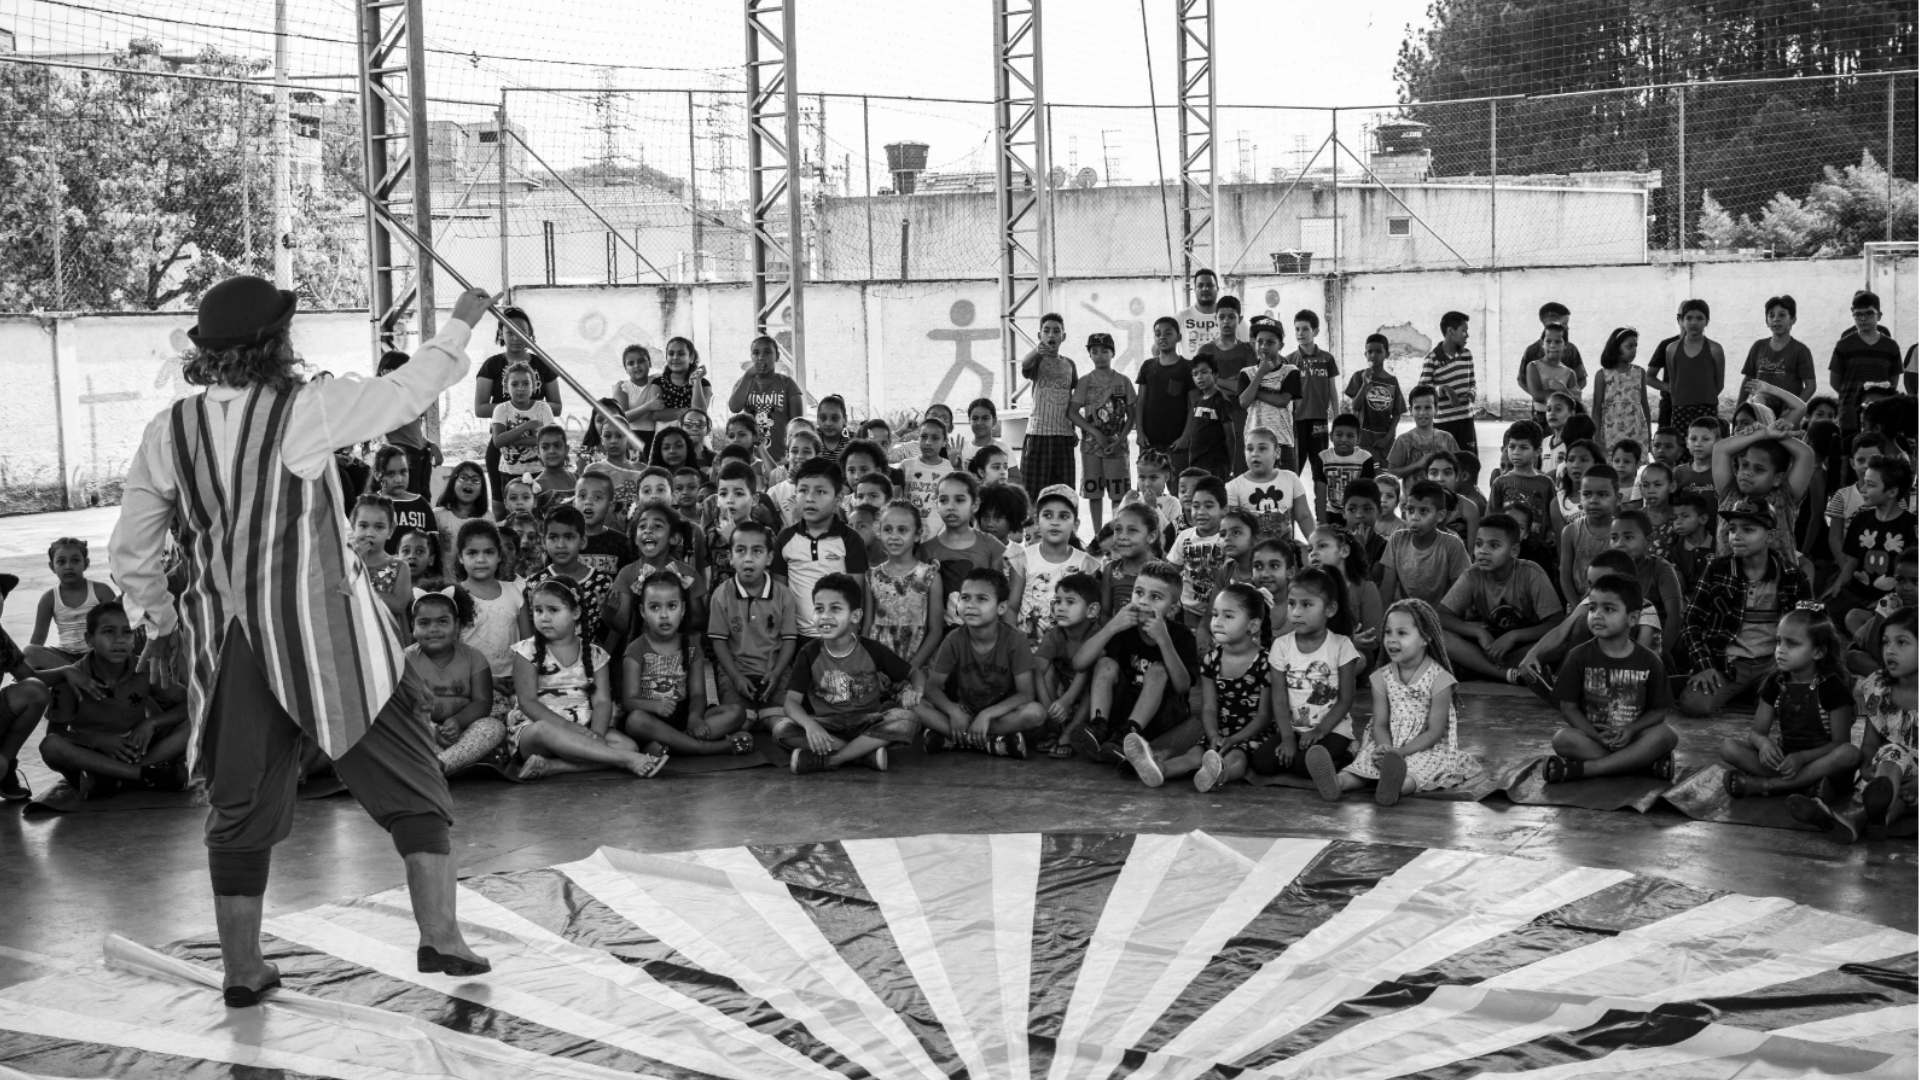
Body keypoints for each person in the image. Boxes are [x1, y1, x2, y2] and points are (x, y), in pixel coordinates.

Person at [108, 277, 497, 1004]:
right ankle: (442, 937)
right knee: (410, 773)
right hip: (331, 639)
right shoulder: (307, 407)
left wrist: (161, 620)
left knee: (239, 803)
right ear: (276, 343)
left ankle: (242, 969)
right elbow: (407, 392)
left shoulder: (169, 430)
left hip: (230, 644)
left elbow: (131, 550)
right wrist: (459, 324)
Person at [508, 578, 666, 782]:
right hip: (537, 733)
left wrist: (597, 735)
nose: (544, 618)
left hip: (584, 728)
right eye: (538, 610)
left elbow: (602, 701)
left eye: (553, 610)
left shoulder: (595, 654)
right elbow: (527, 702)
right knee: (543, 730)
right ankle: (624, 759)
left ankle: (554, 766)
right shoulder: (526, 651)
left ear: (575, 613)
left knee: (628, 745)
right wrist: (566, 727)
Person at [1326, 599, 1478, 804]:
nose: (1391, 640)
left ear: (1425, 638)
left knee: (1419, 770)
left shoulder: (1440, 679)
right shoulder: (1381, 677)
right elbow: (1379, 724)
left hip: (1425, 747)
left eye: (1402, 633)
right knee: (1366, 763)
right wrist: (1385, 749)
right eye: (1388, 632)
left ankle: (1394, 788)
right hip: (1388, 743)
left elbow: (1434, 732)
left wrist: (1399, 754)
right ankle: (1338, 782)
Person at [1126, 582, 1274, 791]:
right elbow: (1209, 708)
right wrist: (1213, 735)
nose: (1217, 622)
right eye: (1215, 615)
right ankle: (1159, 769)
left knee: (1237, 758)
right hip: (1219, 731)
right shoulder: (1211, 659)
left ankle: (1220, 774)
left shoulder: (1266, 662)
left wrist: (1234, 739)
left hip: (1251, 734)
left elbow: (1264, 717)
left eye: (1228, 616)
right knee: (1193, 755)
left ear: (1253, 626)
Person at [1790, 607, 1917, 843]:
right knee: (1892, 757)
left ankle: (1855, 819)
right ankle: (1868, 820)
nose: (1890, 650)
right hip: (1894, 777)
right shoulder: (1879, 688)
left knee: (1897, 773)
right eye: (1885, 642)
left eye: (1902, 642)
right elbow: (1870, 742)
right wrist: (1867, 768)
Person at [38, 602, 189, 798]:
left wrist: (152, 723)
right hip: (92, 755)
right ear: (89, 639)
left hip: (137, 750)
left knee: (197, 722)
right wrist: (98, 740)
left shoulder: (142, 667)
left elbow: (190, 703)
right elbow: (55, 733)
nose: (119, 640)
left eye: (127, 632)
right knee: (50, 745)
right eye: (108, 632)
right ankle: (145, 775)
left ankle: (115, 778)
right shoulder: (73, 679)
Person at [1677, 499, 1811, 716]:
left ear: (1770, 536)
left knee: (1796, 709)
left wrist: (1797, 668)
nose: (1736, 536)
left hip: (1774, 664)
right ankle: (1746, 692)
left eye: (1748, 530)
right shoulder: (1717, 569)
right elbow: (1691, 620)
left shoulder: (1792, 576)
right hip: (1730, 663)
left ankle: (1754, 693)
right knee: (1694, 705)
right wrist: (1704, 664)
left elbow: (1810, 628)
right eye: (1732, 529)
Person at [780, 573, 923, 773]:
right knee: (782, 729)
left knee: (908, 719)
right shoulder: (808, 653)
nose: (825, 616)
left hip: (867, 723)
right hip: (828, 726)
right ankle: (864, 754)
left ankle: (833, 759)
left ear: (855, 616)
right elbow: (791, 702)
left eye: (835, 609)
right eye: (819, 609)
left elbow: (914, 673)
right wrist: (810, 726)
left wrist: (916, 689)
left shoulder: (872, 649)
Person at [1544, 573, 1679, 782]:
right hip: (1592, 738)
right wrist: (1595, 735)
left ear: (1633, 618)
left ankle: (1589, 769)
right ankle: (1640, 765)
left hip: (1634, 738)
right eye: (1592, 608)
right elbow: (1569, 708)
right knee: (1562, 739)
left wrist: (1632, 729)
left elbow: (1658, 712)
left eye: (1608, 609)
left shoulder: (1650, 661)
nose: (1597, 615)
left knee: (1666, 735)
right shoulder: (1578, 657)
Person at [1718, 606, 1858, 799]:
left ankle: (1769, 785)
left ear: (1818, 652)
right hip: (1785, 762)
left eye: (1791, 644)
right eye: (1778, 641)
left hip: (1819, 763)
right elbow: (1757, 732)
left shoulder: (1832, 687)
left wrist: (1802, 758)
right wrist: (1764, 744)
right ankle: (1804, 786)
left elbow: (1839, 743)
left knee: (1849, 754)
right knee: (1728, 747)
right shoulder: (1775, 682)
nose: (1780, 650)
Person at [1070, 561, 1198, 766]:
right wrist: (1111, 627)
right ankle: (1099, 727)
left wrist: (1164, 640)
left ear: (1173, 609)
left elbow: (1182, 687)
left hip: (1163, 716)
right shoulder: (1124, 629)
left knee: (1158, 670)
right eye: (1139, 593)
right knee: (1105, 663)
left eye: (1155, 597)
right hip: (1124, 712)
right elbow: (1079, 663)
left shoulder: (1182, 636)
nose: (1144, 601)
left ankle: (1128, 735)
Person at [916, 568, 1046, 757]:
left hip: (1000, 715)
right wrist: (953, 712)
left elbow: (1026, 695)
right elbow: (932, 687)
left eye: (982, 599)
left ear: (1001, 608)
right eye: (965, 598)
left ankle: (955, 738)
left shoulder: (1015, 640)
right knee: (913, 704)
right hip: (965, 712)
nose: (970, 605)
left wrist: (987, 715)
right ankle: (992, 743)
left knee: (1036, 713)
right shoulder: (954, 639)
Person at [1264, 567, 1363, 788]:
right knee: (1263, 763)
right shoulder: (1281, 646)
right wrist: (1287, 737)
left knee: (1304, 766)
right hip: (1295, 729)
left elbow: (1346, 699)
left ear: (1330, 609)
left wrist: (1320, 731)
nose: (1296, 612)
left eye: (1306, 605)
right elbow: (1279, 697)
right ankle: (1309, 754)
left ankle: (1350, 751)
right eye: (1291, 604)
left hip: (1332, 729)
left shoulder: (1341, 646)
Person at [1439, 513, 1563, 682]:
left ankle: (1479, 669)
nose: (1483, 551)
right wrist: (1478, 632)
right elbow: (1441, 616)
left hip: (1525, 644)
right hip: (1489, 645)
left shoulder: (1531, 573)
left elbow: (1555, 624)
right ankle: (1508, 674)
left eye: (1494, 545)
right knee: (1436, 635)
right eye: (1479, 544)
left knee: (1562, 644)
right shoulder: (1473, 575)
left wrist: (1514, 636)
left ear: (1514, 551)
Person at [707, 521, 800, 735]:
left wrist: (777, 673)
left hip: (774, 671)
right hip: (735, 671)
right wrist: (736, 677)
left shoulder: (783, 594)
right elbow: (719, 642)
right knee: (740, 723)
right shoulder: (721, 595)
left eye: (757, 551)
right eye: (740, 550)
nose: (748, 558)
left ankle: (772, 723)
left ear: (769, 558)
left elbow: (789, 639)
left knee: (781, 725)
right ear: (730, 557)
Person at [405, 594, 504, 775]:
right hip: (423, 731)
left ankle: (439, 766)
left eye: (442, 622)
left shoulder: (473, 657)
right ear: (413, 626)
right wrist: (431, 729)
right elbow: (403, 705)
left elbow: (482, 702)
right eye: (424, 623)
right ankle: (445, 764)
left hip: (464, 731)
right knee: (397, 732)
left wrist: (457, 721)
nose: (433, 629)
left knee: (493, 727)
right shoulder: (405, 659)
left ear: (456, 625)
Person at [773, 458, 871, 637]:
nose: (810, 498)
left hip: (840, 637)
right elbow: (780, 595)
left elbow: (857, 596)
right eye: (803, 490)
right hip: (796, 638)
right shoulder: (785, 538)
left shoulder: (850, 539)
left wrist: (851, 639)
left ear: (838, 498)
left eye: (820, 492)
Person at [472, 305, 562, 501]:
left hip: (538, 449)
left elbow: (556, 405)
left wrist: (531, 406)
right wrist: (513, 408)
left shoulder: (543, 364)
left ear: (530, 333)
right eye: (510, 332)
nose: (516, 337)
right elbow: (480, 408)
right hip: (502, 447)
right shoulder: (491, 365)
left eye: (522, 331)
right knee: (502, 503)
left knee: (540, 502)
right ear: (500, 334)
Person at [1009, 484, 1102, 647]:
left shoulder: (1086, 564)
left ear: (1076, 524)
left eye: (1063, 516)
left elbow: (1090, 614)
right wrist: (1015, 645)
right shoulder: (1022, 561)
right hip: (1028, 648)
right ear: (1037, 521)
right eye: (1047, 515)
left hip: (1069, 649)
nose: (1055, 522)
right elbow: (1011, 607)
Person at [445, 520, 529, 696]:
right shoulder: (454, 596)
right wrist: (487, 679)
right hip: (471, 687)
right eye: (472, 553)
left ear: (499, 556)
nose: (481, 559)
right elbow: (449, 651)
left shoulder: (517, 592)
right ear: (460, 557)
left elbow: (528, 645)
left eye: (489, 552)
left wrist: (521, 677)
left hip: (515, 685)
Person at [1069, 331, 1135, 531]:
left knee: (1118, 494)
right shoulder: (1085, 382)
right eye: (1095, 351)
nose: (1100, 356)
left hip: (1118, 448)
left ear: (1113, 353)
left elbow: (1132, 416)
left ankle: (1117, 533)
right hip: (1091, 448)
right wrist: (1095, 432)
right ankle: (1098, 536)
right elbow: (1072, 413)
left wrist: (1119, 440)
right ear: (1089, 355)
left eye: (1104, 351)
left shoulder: (1123, 381)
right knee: (1094, 493)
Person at [26, 537, 118, 669]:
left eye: (75, 561)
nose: (68, 566)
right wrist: (27, 666)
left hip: (96, 654)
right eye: (61, 562)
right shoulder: (49, 598)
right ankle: (77, 673)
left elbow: (117, 628)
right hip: (63, 657)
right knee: (29, 652)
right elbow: (38, 639)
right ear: (52, 566)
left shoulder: (101, 591)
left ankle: (76, 674)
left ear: (86, 564)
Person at [1038, 572, 1102, 758]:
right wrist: (1049, 711)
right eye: (1058, 601)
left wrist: (1067, 700)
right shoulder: (1055, 634)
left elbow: (1085, 669)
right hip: (1059, 702)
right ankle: (1054, 730)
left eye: (1070, 602)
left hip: (1086, 703)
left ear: (1092, 610)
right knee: (1047, 669)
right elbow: (1037, 669)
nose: (1061, 607)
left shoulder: (1096, 635)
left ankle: (1070, 732)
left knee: (1096, 670)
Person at [1380, 480, 1470, 607]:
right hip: (1408, 613)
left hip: (1441, 615)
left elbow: (1460, 596)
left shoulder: (1452, 545)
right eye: (1410, 510)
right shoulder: (1397, 539)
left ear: (1440, 516)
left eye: (1424, 511)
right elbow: (1386, 592)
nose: (1414, 517)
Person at [1020, 312, 1079, 499]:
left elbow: (1070, 398)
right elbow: (1025, 364)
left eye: (1056, 331)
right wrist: (1036, 350)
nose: (1051, 335)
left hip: (1063, 436)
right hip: (1038, 434)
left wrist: (1073, 429)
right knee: (1032, 490)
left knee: (1064, 492)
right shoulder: (1037, 360)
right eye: (1046, 331)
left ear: (1063, 336)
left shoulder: (1070, 364)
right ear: (1040, 336)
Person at [1829, 291, 1904, 440]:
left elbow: (1892, 383)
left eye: (1869, 313)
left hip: (1881, 416)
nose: (1863, 319)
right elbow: (1835, 381)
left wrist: (1875, 398)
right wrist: (1857, 397)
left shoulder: (1891, 346)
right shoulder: (1843, 345)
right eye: (1858, 314)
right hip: (1850, 416)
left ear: (1879, 315)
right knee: (1850, 451)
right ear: (1852, 313)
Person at [1646, 299, 1724, 432]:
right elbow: (1674, 383)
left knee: (1706, 443)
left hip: (1707, 409)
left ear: (1707, 321)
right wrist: (1682, 399)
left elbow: (1719, 384)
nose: (1694, 322)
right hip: (1680, 410)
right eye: (1689, 318)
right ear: (1681, 320)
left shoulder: (1715, 349)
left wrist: (1703, 399)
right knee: (1679, 444)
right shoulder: (1671, 349)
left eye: (1699, 318)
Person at [1237, 316, 1303, 472]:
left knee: (1285, 484)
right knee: (1257, 485)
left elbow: (1282, 400)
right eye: (1259, 341)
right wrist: (1260, 373)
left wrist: (1255, 393)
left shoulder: (1290, 371)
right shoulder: (1247, 373)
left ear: (1281, 345)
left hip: (1282, 442)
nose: (1264, 346)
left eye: (1270, 342)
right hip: (1254, 444)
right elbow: (1244, 402)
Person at [1228, 426, 1315, 544]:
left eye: (1262, 448)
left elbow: (1304, 516)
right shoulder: (1233, 487)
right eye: (1250, 449)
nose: (1255, 454)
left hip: (1285, 551)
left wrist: (1316, 544)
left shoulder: (1291, 479)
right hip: (1251, 553)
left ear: (1277, 452)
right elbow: (1232, 528)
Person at [1167, 475, 1230, 631]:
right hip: (1190, 610)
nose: (1200, 512)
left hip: (1223, 609)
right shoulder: (1185, 537)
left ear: (1224, 510)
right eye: (1196, 506)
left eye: (1209, 506)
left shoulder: (1227, 540)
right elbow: (1170, 572)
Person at [728, 335, 805, 459]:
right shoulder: (744, 382)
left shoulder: (788, 383)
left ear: (777, 357)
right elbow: (734, 408)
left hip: (780, 457)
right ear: (751, 357)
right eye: (756, 353)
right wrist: (748, 376)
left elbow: (797, 425)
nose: (761, 357)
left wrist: (791, 454)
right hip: (751, 457)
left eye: (767, 352)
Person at [1136, 316, 1195, 473]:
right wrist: (1140, 433)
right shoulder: (1147, 366)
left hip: (1177, 443)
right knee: (1148, 485)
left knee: (1178, 485)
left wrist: (1186, 437)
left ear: (1179, 337)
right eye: (1158, 334)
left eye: (1168, 333)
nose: (1162, 337)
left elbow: (1194, 405)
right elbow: (1140, 401)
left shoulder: (1188, 367)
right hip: (1149, 442)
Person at [1516, 301, 1587, 426]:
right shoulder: (1532, 353)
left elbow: (1581, 381)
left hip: (1565, 414)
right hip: (1541, 414)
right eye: (1565, 323)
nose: (1553, 346)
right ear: (1550, 322)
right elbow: (1525, 383)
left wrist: (1563, 396)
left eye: (1558, 342)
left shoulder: (1571, 351)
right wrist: (1543, 396)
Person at [489, 365, 555, 499]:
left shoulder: (543, 408)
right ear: (506, 387)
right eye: (514, 384)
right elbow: (498, 441)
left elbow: (549, 440)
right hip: (510, 473)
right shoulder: (501, 409)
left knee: (540, 507)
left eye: (526, 383)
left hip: (540, 472)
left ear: (534, 386)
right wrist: (526, 426)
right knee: (514, 508)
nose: (520, 388)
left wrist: (513, 439)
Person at [1559, 462, 1621, 605]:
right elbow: (1565, 578)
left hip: (1614, 603)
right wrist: (1577, 608)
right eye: (1587, 494)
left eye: (1602, 495)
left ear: (1617, 499)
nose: (1593, 500)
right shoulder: (1570, 532)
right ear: (1580, 497)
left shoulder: (1621, 533)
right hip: (1577, 603)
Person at [1739, 295, 1816, 409]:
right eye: (1771, 315)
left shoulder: (1801, 350)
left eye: (1782, 315)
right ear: (1766, 321)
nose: (1776, 319)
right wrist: (1739, 408)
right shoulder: (1758, 346)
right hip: (1760, 409)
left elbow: (1810, 387)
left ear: (1793, 320)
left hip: (1785, 413)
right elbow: (1748, 380)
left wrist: (1794, 409)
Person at [1419, 311, 1479, 456]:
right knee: (1445, 462)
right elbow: (1422, 390)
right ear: (1450, 331)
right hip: (1443, 423)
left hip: (1466, 420)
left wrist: (1471, 394)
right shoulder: (1432, 359)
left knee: (1467, 461)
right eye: (1464, 331)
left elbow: (1472, 383)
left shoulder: (1467, 355)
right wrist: (1442, 388)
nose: (1467, 335)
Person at [1174, 354, 1241, 479]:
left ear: (1215, 374)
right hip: (1197, 463)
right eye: (1195, 374)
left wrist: (1230, 466)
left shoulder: (1220, 401)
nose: (1199, 377)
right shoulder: (1198, 401)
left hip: (1215, 465)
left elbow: (1230, 437)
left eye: (1204, 372)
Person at [629, 337, 713, 433]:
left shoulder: (703, 384)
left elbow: (700, 413)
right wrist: (689, 411)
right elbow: (655, 415)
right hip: (665, 437)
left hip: (694, 436)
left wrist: (697, 381)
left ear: (691, 358)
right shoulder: (659, 383)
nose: (675, 357)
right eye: (671, 354)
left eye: (681, 354)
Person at [1592, 326, 1651, 457]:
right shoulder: (1603, 375)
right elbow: (1596, 408)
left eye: (1635, 346)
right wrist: (1597, 438)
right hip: (1611, 432)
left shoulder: (1639, 372)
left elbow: (1645, 405)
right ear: (1616, 348)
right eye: (1629, 346)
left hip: (1636, 431)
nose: (1634, 350)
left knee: (1632, 462)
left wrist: (1649, 434)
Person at [1345, 333, 1404, 459]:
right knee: (1364, 469)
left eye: (1378, 351)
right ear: (1365, 354)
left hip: (1384, 441)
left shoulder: (1392, 381)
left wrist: (1387, 438)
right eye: (1370, 351)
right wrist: (1365, 385)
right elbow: (1355, 407)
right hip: (1362, 438)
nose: (1373, 355)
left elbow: (1397, 414)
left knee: (1382, 470)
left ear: (1387, 354)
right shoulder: (1358, 377)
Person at [1313, 413, 1377, 526]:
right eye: (1339, 435)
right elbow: (1320, 495)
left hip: (1357, 514)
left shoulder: (1365, 458)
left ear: (1358, 438)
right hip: (1331, 513)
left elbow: (1368, 495)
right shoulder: (1323, 457)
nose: (1344, 439)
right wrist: (1323, 524)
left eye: (1350, 436)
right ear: (1331, 436)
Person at [1386, 384, 1460, 481]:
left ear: (1436, 410)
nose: (1422, 412)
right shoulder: (1404, 440)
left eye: (1428, 407)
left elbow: (1458, 468)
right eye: (1417, 408)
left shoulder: (1447, 438)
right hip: (1414, 491)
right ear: (1411, 411)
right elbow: (1391, 472)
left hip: (1441, 491)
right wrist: (1417, 465)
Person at [1523, 323, 1580, 422]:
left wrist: (1562, 389)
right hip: (1540, 418)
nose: (1552, 345)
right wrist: (1565, 391)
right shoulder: (1533, 366)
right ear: (1542, 343)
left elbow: (1576, 401)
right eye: (1548, 341)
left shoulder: (1569, 373)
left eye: (1558, 342)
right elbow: (1537, 395)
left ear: (1565, 345)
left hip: (1564, 420)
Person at [1176, 267, 1221, 355]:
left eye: (1210, 285)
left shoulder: (1231, 317)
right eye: (1200, 286)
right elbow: (1157, 349)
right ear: (1194, 290)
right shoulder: (1181, 317)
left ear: (1218, 289)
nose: (1205, 289)